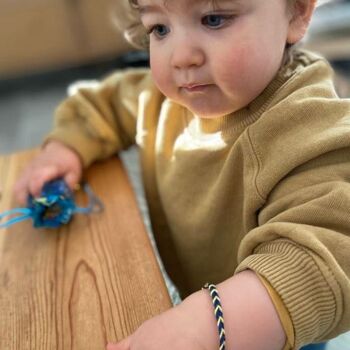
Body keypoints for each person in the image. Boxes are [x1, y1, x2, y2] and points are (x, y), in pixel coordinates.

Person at [14, 0, 350, 349]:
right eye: (160, 28)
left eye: (214, 19)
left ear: (298, 13)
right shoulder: (167, 101)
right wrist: (65, 148)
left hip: (281, 329)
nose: (180, 57)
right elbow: (107, 103)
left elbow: (329, 253)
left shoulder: (307, 126)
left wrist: (203, 325)